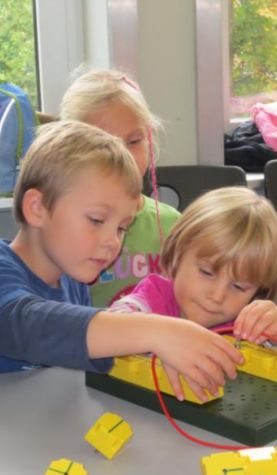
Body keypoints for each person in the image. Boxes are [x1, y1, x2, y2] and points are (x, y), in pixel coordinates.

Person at [0, 120, 243, 403]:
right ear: (37, 208)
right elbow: (32, 326)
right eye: (96, 220)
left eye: (121, 228)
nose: (113, 242)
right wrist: (156, 331)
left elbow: (84, 357)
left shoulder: (72, 277)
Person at [110, 187, 277, 350]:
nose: (217, 296)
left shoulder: (243, 320)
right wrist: (162, 334)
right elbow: (110, 324)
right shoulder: (154, 296)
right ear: (178, 253)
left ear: (258, 292)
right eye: (206, 272)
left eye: (238, 287)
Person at [60, 69, 181, 307]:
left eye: (134, 141)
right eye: (104, 143)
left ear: (150, 140)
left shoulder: (174, 226)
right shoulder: (64, 229)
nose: (123, 155)